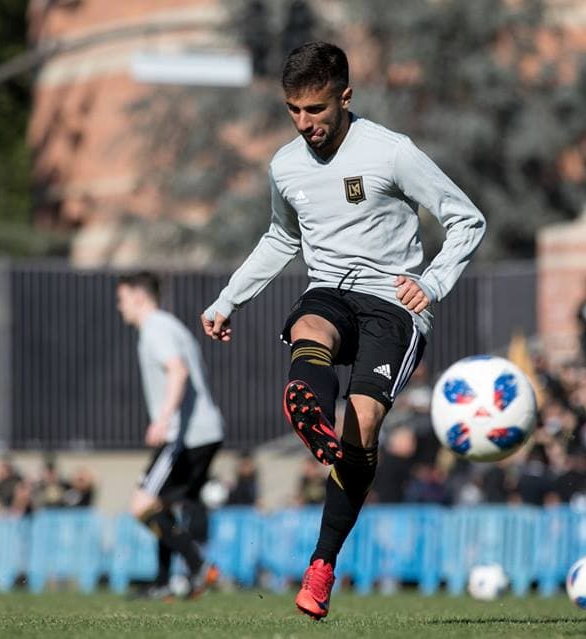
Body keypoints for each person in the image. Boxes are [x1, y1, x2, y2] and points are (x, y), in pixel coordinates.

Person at [200, 41, 486, 618]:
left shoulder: (391, 152)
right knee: (310, 322)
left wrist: (432, 283)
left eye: (316, 109)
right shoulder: (285, 166)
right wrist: (229, 299)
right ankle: (309, 406)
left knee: (364, 426)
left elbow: (466, 218)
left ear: (345, 97)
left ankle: (322, 565)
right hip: (329, 290)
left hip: (393, 305)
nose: (304, 123)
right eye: (293, 110)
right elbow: (282, 238)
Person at [117, 271, 225, 600]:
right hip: (204, 432)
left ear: (139, 296)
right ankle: (164, 581)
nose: (120, 307)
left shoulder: (155, 328)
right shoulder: (171, 325)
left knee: (141, 505)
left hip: (186, 435)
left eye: (122, 299)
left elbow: (178, 370)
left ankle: (198, 565)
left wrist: (162, 420)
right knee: (161, 505)